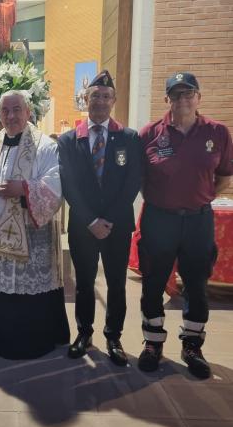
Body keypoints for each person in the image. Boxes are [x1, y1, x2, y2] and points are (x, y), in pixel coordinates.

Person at [137, 72, 233, 379]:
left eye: (188, 93)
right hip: (158, 220)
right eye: (176, 95)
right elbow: (140, 180)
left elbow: (224, 178)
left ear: (198, 97)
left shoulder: (218, 133)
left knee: (196, 286)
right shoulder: (150, 133)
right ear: (167, 100)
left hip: (198, 221)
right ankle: (153, 344)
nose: (183, 100)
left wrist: (199, 198)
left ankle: (192, 345)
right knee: (152, 284)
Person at [57, 70, 142, 366]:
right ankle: (84, 333)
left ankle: (113, 336)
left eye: (106, 97)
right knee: (83, 282)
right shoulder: (69, 140)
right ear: (86, 99)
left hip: (117, 226)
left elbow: (133, 182)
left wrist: (109, 220)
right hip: (83, 226)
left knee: (117, 283)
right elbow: (68, 184)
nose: (101, 102)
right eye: (95, 96)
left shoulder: (129, 138)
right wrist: (91, 220)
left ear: (114, 100)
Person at [0, 90, 70, 359]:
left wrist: (24, 189)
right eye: (5, 111)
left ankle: (33, 343)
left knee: (28, 293)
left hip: (32, 234)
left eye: (17, 109)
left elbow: (55, 184)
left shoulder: (44, 146)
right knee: (2, 293)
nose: (11, 116)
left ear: (28, 112)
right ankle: (1, 340)